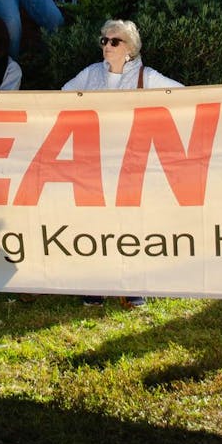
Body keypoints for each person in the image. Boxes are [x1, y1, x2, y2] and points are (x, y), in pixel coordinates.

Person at [64, 18, 179, 308]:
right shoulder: (90, 74)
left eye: (115, 41)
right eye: (104, 40)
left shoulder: (148, 77)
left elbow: (183, 95)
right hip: (95, 162)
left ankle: (133, 286)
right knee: (96, 225)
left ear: (130, 48)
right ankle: (96, 285)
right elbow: (61, 96)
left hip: (133, 165)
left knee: (132, 225)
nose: (107, 46)